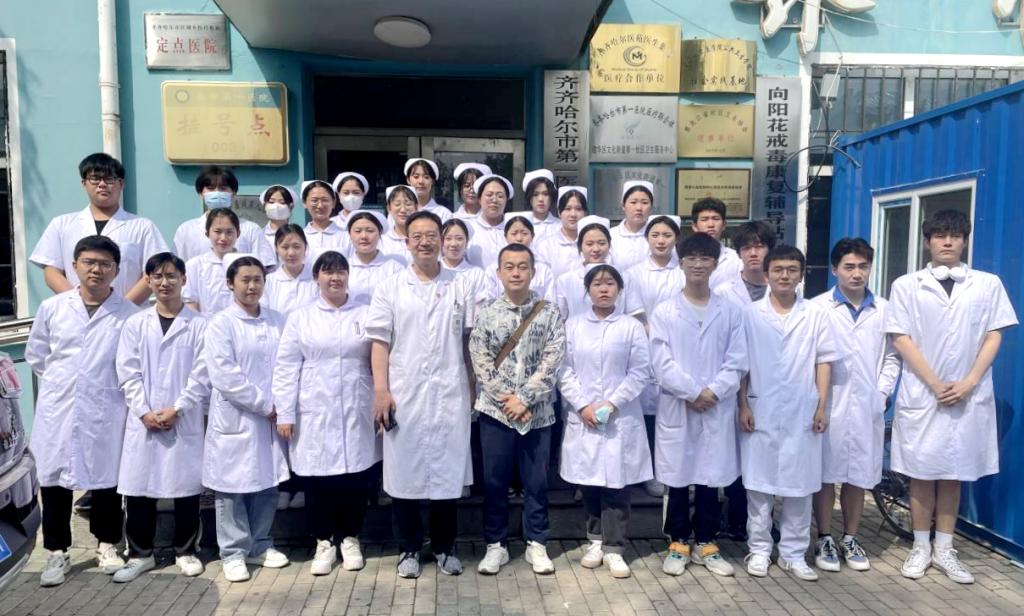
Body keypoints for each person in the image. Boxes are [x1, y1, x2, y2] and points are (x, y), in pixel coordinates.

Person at [886, 210, 1017, 584]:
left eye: (955, 235)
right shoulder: (906, 285)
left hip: (967, 394)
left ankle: (945, 548)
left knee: (954, 472)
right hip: (924, 393)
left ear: (964, 241)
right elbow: (900, 337)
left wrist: (969, 381)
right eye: (940, 235)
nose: (947, 241)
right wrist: (934, 383)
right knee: (921, 471)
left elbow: (994, 334)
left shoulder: (987, 284)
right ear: (927, 241)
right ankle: (920, 547)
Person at [365, 210, 477, 579]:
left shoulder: (460, 285)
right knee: (404, 474)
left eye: (432, 235)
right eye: (417, 236)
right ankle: (409, 548)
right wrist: (381, 390)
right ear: (407, 241)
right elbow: (379, 342)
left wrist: (472, 387)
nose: (425, 242)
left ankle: (445, 547)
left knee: (447, 474)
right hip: (405, 392)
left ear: (442, 240)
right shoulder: (391, 286)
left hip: (450, 391)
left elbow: (469, 342)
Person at [27, 236, 139, 587]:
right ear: (74, 266)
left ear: (116, 270)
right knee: (54, 482)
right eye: (89, 262)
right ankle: (56, 551)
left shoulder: (129, 315)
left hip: (107, 408)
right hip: (59, 406)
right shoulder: (53, 308)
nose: (96, 270)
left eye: (105, 264)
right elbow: (37, 354)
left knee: (107, 480)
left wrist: (93, 386)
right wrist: (68, 382)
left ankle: (107, 543)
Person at [738, 244, 843, 582]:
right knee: (758, 486)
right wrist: (743, 404)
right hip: (761, 406)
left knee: (801, 486)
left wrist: (821, 405)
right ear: (767, 274)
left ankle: (793, 553)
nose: (785, 276)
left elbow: (824, 361)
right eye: (778, 270)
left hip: (803, 409)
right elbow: (741, 365)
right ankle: (759, 549)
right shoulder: (749, 314)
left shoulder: (816, 314)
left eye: (792, 270)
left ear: (801, 275)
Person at [274, 251, 381, 576]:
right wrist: (285, 412)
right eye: (327, 272)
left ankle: (350, 537)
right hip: (314, 407)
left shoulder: (365, 313)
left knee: (355, 475)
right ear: (316, 277)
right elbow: (286, 365)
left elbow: (379, 358)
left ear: (348, 276)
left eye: (340, 271)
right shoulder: (301, 317)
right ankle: (323, 541)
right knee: (318, 478)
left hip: (356, 404)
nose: (334, 278)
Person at [650, 233, 747, 578]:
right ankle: (678, 541)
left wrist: (714, 392)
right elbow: (661, 362)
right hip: (681, 404)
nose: (698, 264)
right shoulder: (665, 311)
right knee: (678, 477)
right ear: (681, 263)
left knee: (710, 476)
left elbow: (738, 359)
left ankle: (707, 541)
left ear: (715, 264)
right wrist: (693, 392)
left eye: (705, 258)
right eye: (691, 258)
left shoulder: (730, 311)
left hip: (715, 406)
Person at [112, 252, 210, 583]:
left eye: (171, 276)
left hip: (184, 418)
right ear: (148, 280)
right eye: (157, 276)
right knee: (139, 490)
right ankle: (140, 554)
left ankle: (186, 550)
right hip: (144, 420)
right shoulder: (135, 324)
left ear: (184, 279)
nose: (164, 282)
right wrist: (143, 411)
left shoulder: (200, 325)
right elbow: (127, 372)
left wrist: (178, 408)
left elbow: (202, 373)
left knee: (186, 490)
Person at [470, 244, 565, 576]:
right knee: (494, 481)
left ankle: (536, 542)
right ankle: (495, 545)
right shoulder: (487, 313)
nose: (515, 272)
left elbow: (554, 358)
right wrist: (507, 399)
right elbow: (480, 360)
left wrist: (524, 398)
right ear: (498, 273)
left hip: (537, 413)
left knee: (536, 481)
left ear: (533, 271)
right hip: (495, 412)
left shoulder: (549, 312)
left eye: (522, 266)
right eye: (509, 267)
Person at [810, 238, 900, 574]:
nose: (857, 273)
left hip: (866, 404)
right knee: (824, 473)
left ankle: (850, 537)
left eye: (863, 266)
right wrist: (815, 400)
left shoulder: (885, 309)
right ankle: (824, 537)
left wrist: (882, 393)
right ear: (835, 269)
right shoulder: (817, 308)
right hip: (827, 402)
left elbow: (893, 357)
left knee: (858, 475)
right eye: (849, 267)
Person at [559, 264, 652, 579]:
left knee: (617, 484)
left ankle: (615, 547)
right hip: (584, 416)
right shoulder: (573, 326)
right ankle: (595, 541)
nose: (603, 289)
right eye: (597, 284)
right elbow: (563, 369)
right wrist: (583, 405)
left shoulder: (631, 327)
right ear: (587, 290)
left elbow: (640, 370)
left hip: (619, 417)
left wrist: (613, 402)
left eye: (610, 283)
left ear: (619, 290)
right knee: (590, 482)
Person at [202, 255, 291, 583]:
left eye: (258, 280)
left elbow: (288, 363)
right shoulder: (221, 323)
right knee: (232, 487)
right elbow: (224, 374)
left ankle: (260, 543)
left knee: (267, 482)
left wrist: (282, 404)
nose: (252, 286)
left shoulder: (277, 320)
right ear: (230, 283)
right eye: (245, 280)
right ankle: (233, 551)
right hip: (239, 416)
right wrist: (266, 404)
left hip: (271, 416)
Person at [30, 152, 168, 305]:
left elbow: (154, 272)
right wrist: (78, 305)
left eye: (109, 179)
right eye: (95, 179)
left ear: (121, 184)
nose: (102, 184)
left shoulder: (142, 227)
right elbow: (51, 272)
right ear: (84, 183)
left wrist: (121, 307)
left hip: (129, 315)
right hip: (75, 312)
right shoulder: (61, 224)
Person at [713, 220, 776, 541]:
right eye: (747, 247)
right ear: (738, 253)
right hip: (735, 384)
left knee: (769, 454)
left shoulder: (786, 289)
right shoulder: (724, 293)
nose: (753, 253)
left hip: (773, 383)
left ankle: (766, 521)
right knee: (737, 455)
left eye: (759, 246)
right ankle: (737, 518)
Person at [172, 165, 277, 267]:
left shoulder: (251, 230)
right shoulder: (186, 230)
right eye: (211, 188)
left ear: (233, 193)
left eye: (223, 188)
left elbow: (266, 266)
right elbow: (175, 267)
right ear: (200, 193)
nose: (217, 193)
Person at [551, 215, 615, 319]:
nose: (596, 249)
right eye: (589, 244)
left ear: (609, 244)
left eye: (602, 243)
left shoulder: (624, 277)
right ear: (580, 246)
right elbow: (559, 318)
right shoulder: (566, 280)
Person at [182, 207, 241, 316]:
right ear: (207, 233)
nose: (223, 238)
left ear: (238, 233)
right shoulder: (195, 265)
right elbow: (189, 302)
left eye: (229, 232)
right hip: (205, 325)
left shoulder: (247, 265)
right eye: (218, 232)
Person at [347, 210, 404, 306]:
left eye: (370, 231)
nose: (364, 236)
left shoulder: (395, 269)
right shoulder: (343, 268)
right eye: (357, 231)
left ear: (380, 233)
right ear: (350, 234)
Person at [262, 224, 319, 316]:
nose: (291, 253)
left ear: (305, 247)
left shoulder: (316, 280)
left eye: (296, 246)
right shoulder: (268, 282)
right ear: (276, 248)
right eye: (285, 247)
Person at [494, 213, 553, 299]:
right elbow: (490, 300)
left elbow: (550, 299)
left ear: (532, 236)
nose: (519, 238)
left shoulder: (544, 270)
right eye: (514, 233)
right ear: (505, 236)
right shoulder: (493, 269)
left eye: (524, 233)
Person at [535, 186, 589, 280]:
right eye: (568, 209)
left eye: (578, 209)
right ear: (559, 212)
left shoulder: (593, 245)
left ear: (585, 213)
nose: (573, 214)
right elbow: (543, 280)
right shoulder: (546, 246)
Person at [690, 197, 741, 290]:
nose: (711, 225)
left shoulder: (736, 259)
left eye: (716, 219)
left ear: (724, 225)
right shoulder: (684, 258)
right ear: (695, 226)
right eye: (704, 219)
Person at [466, 174, 513, 269]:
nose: (494, 200)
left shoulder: (513, 230)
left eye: (500, 196)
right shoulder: (469, 228)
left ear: (506, 201)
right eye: (489, 195)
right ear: (479, 199)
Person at [440, 218, 492, 303]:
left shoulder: (476, 274)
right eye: (448, 238)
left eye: (459, 239)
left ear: (467, 241)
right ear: (441, 241)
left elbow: (479, 305)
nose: (453, 244)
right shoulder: (432, 271)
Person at [610, 181, 655, 271]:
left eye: (645, 203)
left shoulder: (658, 235)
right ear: (623, 205)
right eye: (633, 202)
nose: (639, 208)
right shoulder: (611, 235)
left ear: (651, 207)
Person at [301, 180, 349, 261]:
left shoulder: (346, 237)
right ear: (304, 203)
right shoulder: (300, 237)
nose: (320, 206)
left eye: (325, 200)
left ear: (333, 203)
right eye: (314, 200)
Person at [405, 158, 452, 223]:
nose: (421, 181)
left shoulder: (444, 214)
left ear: (432, 181)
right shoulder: (400, 213)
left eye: (426, 177)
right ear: (408, 180)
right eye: (416, 177)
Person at [380, 185, 418, 264]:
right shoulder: (382, 241)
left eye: (408, 204)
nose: (403, 210)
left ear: (416, 207)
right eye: (397, 204)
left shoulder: (423, 238)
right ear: (389, 208)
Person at [521, 169, 560, 241]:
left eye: (546, 194)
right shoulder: (522, 226)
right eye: (535, 194)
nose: (541, 199)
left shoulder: (560, 226)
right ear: (529, 197)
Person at [260, 184, 299, 254]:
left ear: (291, 206)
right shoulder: (259, 235)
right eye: (271, 202)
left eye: (282, 202)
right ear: (264, 206)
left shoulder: (298, 234)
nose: (276, 206)